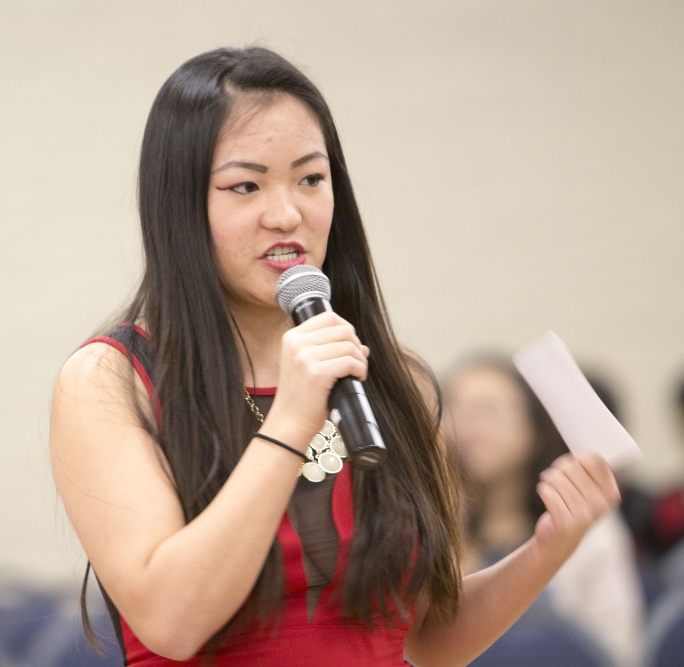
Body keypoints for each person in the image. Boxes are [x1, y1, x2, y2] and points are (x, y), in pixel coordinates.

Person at [49, 46, 620, 666]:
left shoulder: (396, 378)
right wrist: (292, 421)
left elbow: (428, 640)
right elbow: (172, 621)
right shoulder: (110, 382)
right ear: (181, 205)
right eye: (245, 186)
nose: (287, 213)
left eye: (311, 179)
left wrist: (547, 548)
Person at [443, 357, 644, 665]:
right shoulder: (432, 525)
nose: (468, 425)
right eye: (453, 407)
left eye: (489, 409)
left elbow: (617, 651)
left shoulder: (584, 519)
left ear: (534, 426)